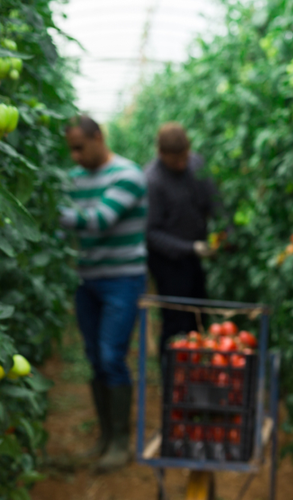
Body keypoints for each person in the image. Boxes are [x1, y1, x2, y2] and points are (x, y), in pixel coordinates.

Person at [59, 115, 147, 471]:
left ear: (98, 138)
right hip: (88, 277)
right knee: (94, 356)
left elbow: (98, 221)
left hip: (122, 279)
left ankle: (121, 443)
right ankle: (106, 436)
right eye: (71, 150)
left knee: (112, 355)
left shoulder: (128, 175)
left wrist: (42, 211)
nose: (75, 156)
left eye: (80, 147)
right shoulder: (75, 179)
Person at [145, 122, 218, 354]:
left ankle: (196, 373)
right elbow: (151, 233)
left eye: (184, 156)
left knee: (199, 317)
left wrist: (225, 231)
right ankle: (172, 379)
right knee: (176, 322)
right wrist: (191, 247)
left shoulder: (196, 164)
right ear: (161, 154)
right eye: (175, 160)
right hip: (167, 262)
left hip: (193, 257)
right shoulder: (152, 180)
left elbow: (214, 201)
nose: (182, 163)